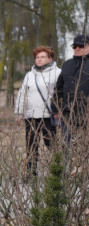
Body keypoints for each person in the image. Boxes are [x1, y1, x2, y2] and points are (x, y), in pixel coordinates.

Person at [14, 46, 60, 177]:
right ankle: (31, 173)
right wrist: (19, 113)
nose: (39, 59)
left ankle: (60, 170)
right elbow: (22, 94)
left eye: (42, 57)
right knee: (31, 146)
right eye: (37, 57)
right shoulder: (29, 75)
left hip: (48, 116)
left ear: (50, 58)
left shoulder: (58, 73)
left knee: (51, 144)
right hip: (31, 115)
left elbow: (60, 93)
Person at [54, 34, 89, 139]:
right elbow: (58, 88)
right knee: (67, 145)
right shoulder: (66, 65)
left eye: (81, 46)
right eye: (75, 46)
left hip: (86, 114)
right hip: (67, 114)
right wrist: (56, 109)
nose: (77, 49)